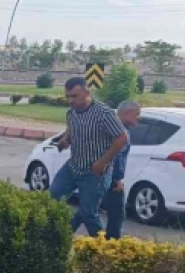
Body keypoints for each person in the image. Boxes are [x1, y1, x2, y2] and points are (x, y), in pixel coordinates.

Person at [49, 77, 129, 236]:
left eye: (75, 96)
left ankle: (102, 251)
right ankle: (54, 237)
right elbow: (72, 130)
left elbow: (122, 139)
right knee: (50, 199)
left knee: (88, 214)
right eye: (68, 96)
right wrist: (65, 140)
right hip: (73, 167)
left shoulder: (104, 113)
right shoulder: (71, 112)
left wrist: (102, 162)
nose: (70, 100)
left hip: (94, 173)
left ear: (87, 92)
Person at [101, 100, 141, 239]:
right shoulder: (120, 131)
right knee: (117, 211)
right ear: (127, 113)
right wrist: (117, 178)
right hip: (109, 176)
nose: (138, 118)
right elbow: (116, 156)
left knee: (89, 209)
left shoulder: (112, 126)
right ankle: (111, 243)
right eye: (136, 114)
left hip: (102, 173)